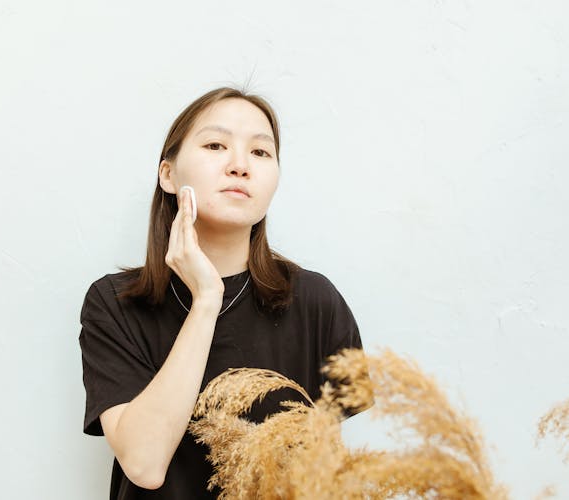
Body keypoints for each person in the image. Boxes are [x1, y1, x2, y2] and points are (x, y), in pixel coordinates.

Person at [78, 86, 373, 499]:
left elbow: (322, 473)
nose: (240, 166)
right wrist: (206, 301)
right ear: (168, 174)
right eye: (216, 145)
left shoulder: (315, 302)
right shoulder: (114, 303)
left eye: (260, 152)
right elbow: (144, 464)